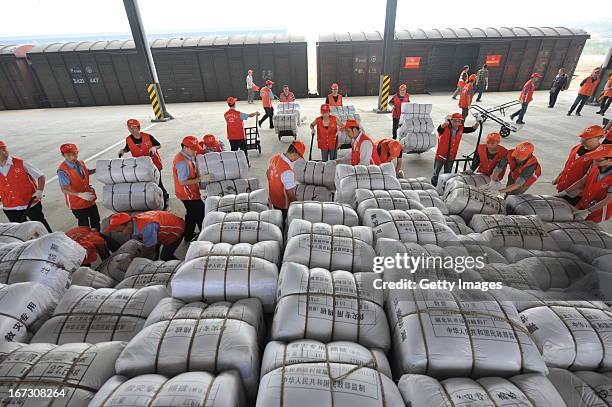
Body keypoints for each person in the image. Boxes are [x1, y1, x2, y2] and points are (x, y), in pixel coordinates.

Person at [0, 140, 51, 232]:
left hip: (30, 203)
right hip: (10, 207)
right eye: (1, 151)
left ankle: (52, 241)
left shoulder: (21, 163)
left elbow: (40, 176)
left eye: (4, 149)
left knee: (41, 226)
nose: (4, 152)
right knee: (21, 232)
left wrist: (39, 191)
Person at [119, 119, 169, 208]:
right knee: (146, 185)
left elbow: (159, 145)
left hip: (154, 165)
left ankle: (164, 200)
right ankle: (153, 200)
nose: (132, 130)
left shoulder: (148, 136)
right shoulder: (128, 139)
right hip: (140, 166)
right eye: (130, 128)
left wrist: (154, 148)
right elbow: (128, 148)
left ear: (139, 128)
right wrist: (123, 151)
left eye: (134, 128)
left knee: (158, 183)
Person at [104, 210, 185, 261]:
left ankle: (181, 267)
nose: (121, 234)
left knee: (165, 257)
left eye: (120, 231)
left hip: (176, 229)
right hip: (164, 225)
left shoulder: (146, 228)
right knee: (153, 251)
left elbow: (149, 249)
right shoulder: (135, 221)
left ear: (128, 224)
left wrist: (132, 258)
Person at [553, 125, 604, 204]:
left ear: (599, 137)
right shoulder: (576, 148)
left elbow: (586, 179)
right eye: (582, 137)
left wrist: (567, 192)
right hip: (563, 185)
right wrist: (558, 177)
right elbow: (568, 165)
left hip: (576, 193)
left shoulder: (599, 157)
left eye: (588, 139)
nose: (583, 140)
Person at [173, 136, 210, 242]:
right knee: (201, 213)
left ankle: (188, 235)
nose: (195, 151)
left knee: (191, 214)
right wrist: (201, 179)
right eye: (193, 149)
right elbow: (182, 181)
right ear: (185, 147)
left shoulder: (185, 157)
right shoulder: (182, 162)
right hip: (188, 194)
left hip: (186, 192)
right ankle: (205, 238)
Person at [57, 143, 100, 230]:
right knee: (84, 225)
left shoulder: (81, 163)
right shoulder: (63, 170)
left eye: (74, 154)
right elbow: (64, 189)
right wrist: (80, 194)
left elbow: (87, 172)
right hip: (77, 203)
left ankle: (98, 238)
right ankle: (87, 241)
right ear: (63, 155)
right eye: (68, 155)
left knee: (96, 220)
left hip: (89, 199)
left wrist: (98, 169)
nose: (72, 157)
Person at [431, 113, 480, 186]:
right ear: (451, 121)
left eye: (459, 121)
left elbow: (472, 129)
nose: (457, 123)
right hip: (441, 155)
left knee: (447, 173)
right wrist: (445, 123)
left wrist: (478, 122)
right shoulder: (445, 128)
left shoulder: (461, 128)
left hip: (451, 156)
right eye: (455, 121)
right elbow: (439, 128)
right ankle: (434, 185)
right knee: (436, 172)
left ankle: (444, 186)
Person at [566, 144, 612, 222]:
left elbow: (608, 199)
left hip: (598, 210)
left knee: (586, 228)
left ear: (610, 160)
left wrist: (588, 211)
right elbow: (583, 180)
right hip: (585, 202)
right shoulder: (594, 165)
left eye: (598, 160)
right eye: (594, 159)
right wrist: (566, 191)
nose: (594, 162)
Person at [266, 141, 305, 216]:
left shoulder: (275, 157)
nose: (297, 160)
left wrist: (275, 184)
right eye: (298, 157)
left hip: (273, 198)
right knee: (284, 222)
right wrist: (297, 207)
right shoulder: (287, 171)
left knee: (278, 219)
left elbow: (267, 173)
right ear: (294, 154)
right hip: (284, 204)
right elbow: (291, 194)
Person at [224, 97, 259, 162]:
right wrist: (255, 113)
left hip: (231, 136)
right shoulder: (239, 114)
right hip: (240, 136)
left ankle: (235, 163)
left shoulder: (225, 114)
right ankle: (246, 162)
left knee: (234, 151)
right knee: (243, 151)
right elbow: (249, 115)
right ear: (234, 104)